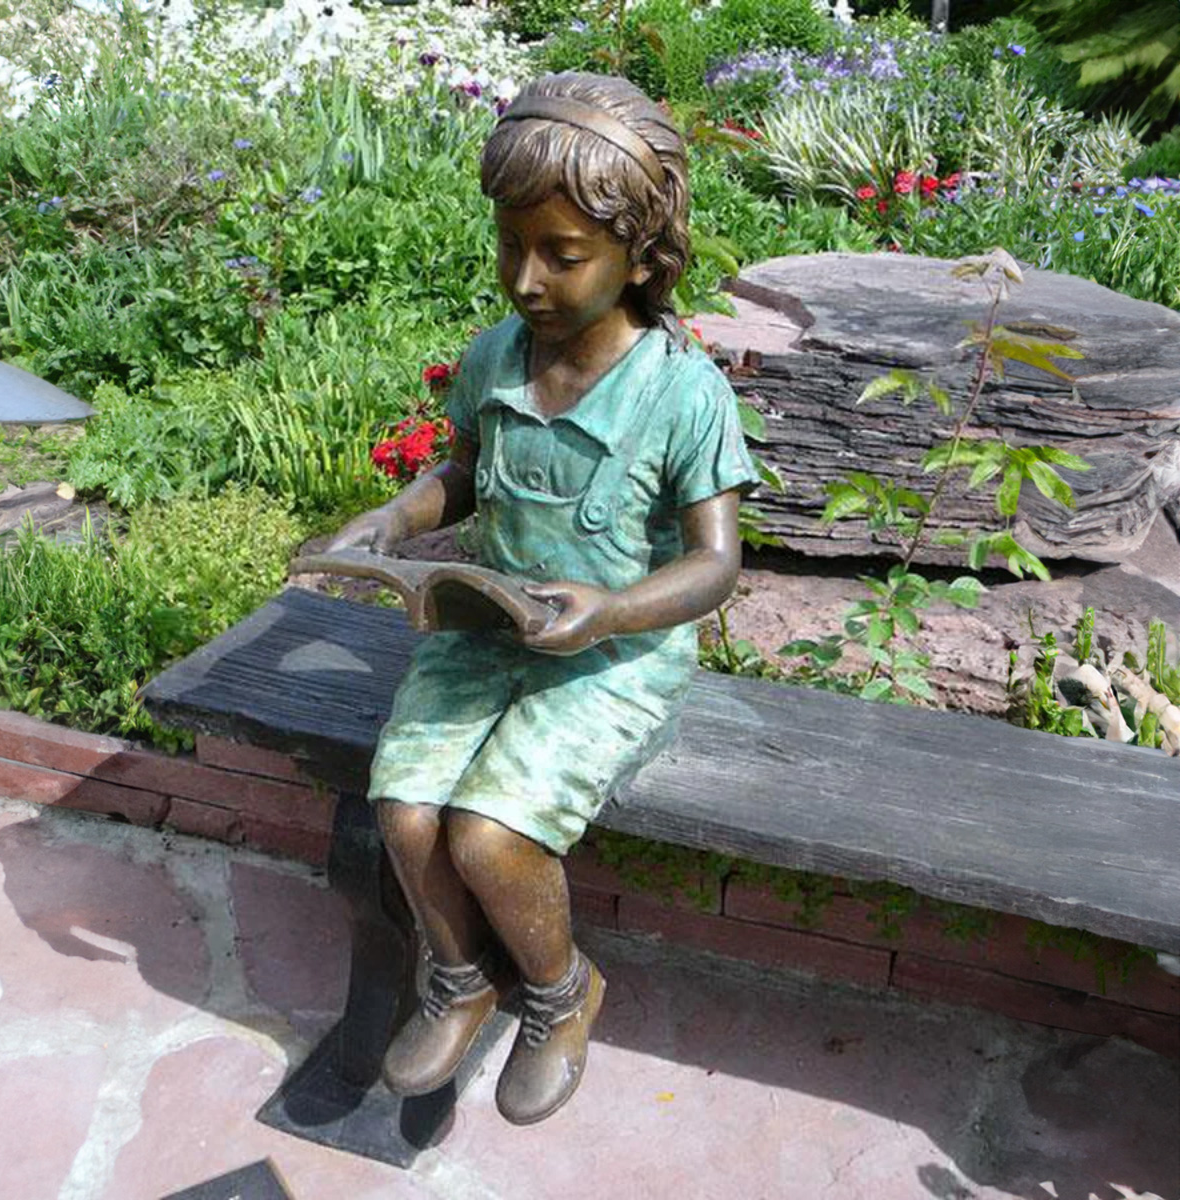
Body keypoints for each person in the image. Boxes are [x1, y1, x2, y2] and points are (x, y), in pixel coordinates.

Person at [328, 70, 758, 1126]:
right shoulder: (495, 358)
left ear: (641, 257)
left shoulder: (681, 392)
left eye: (562, 256)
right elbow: (462, 476)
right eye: (511, 245)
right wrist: (395, 519)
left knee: (491, 833)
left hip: (612, 651)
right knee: (407, 804)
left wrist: (607, 612)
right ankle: (462, 975)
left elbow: (716, 565)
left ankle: (563, 995)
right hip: (489, 624)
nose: (526, 279)